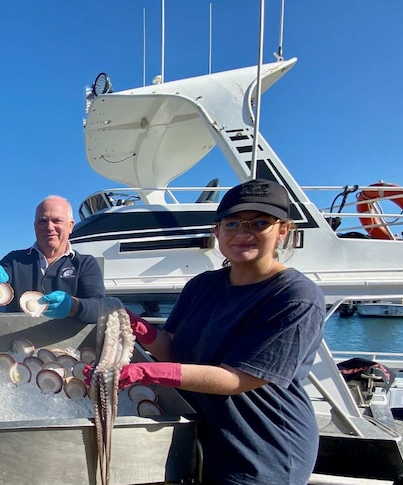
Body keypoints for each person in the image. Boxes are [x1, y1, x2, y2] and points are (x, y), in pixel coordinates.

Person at [96, 178, 325, 484]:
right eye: (231, 224)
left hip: (262, 452)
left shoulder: (295, 296)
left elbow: (236, 379)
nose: (243, 233)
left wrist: (144, 373)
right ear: (217, 231)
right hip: (201, 439)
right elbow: (172, 348)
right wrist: (133, 323)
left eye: (259, 223)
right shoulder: (201, 285)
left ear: (283, 230)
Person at [0, 195, 105, 323]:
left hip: (68, 341)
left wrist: (73, 305)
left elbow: (100, 309)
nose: (49, 227)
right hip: (18, 340)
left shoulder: (85, 264)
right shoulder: (14, 261)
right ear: (35, 226)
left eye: (57, 220)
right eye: (42, 221)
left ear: (71, 226)